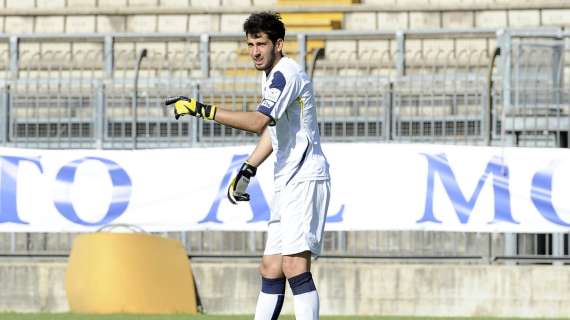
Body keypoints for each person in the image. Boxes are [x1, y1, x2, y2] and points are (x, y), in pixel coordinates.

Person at [165, 11, 330, 320]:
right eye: (250, 44)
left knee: (294, 265)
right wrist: (250, 166)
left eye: (261, 44)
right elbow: (272, 129)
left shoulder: (286, 74)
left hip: (305, 177)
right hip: (288, 178)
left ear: (278, 44)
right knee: (270, 266)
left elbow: (257, 122)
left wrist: (202, 109)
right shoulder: (268, 75)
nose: (255, 51)